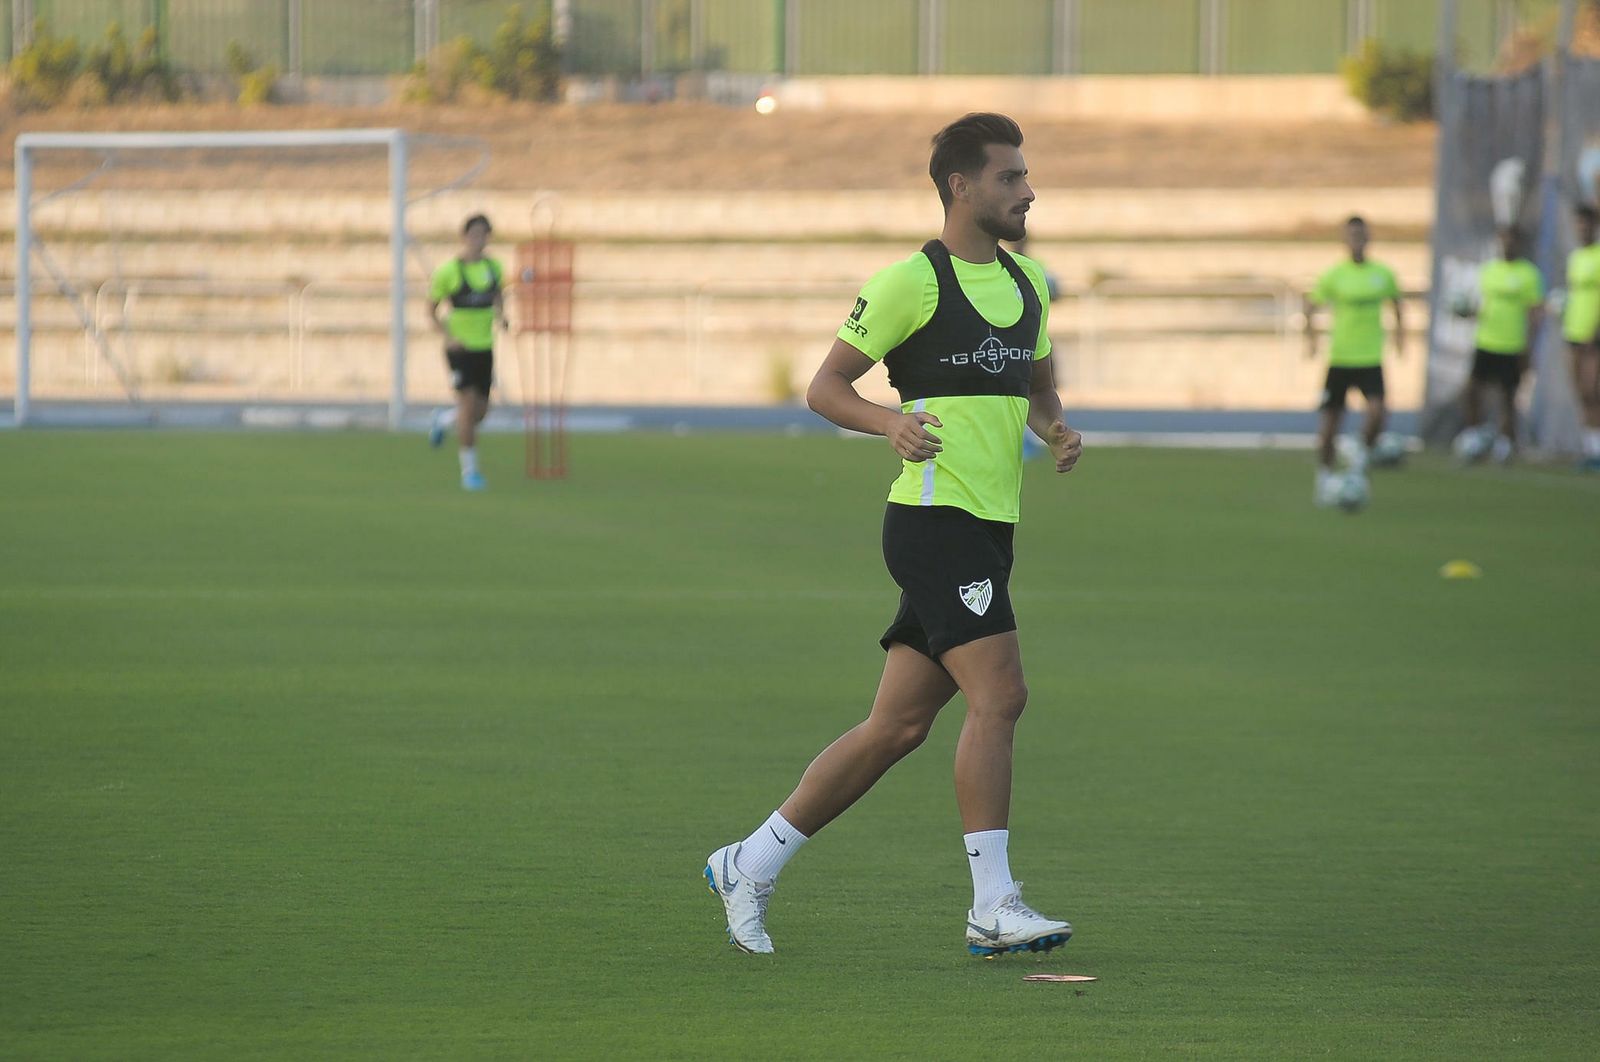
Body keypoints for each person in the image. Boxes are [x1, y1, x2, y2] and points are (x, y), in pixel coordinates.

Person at [703, 113, 1083, 958]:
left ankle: (747, 863)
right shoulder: (909, 283)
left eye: (1025, 176)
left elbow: (1038, 380)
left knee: (897, 729)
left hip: (989, 530)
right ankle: (993, 906)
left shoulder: (1030, 285)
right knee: (1001, 695)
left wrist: (1056, 427)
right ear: (962, 187)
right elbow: (824, 387)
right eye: (1010, 177)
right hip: (931, 523)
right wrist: (889, 425)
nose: (1028, 190)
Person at [1303, 216, 1404, 506]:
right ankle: (1324, 478)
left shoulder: (1383, 274)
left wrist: (1399, 337)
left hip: (1370, 357)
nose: (1357, 240)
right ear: (1344, 240)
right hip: (1341, 357)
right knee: (1330, 425)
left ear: (1368, 238)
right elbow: (1311, 303)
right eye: (1352, 235)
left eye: (1361, 235)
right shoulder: (1335, 275)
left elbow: (1397, 304)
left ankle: (1358, 458)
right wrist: (1311, 339)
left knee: (1378, 413)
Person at [427, 214, 507, 491]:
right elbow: (431, 309)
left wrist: (502, 316)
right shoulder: (449, 272)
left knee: (480, 412)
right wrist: (448, 337)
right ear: (464, 237)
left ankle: (443, 420)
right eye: (474, 234)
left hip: (485, 347)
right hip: (460, 349)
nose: (479, 240)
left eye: (484, 234)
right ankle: (470, 472)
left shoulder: (493, 268)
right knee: (468, 404)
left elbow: (498, 296)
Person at [1459, 228, 1544, 462]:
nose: (1506, 246)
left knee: (1508, 397)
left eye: (1511, 241)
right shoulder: (1489, 271)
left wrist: (1529, 345)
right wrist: (1467, 312)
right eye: (1503, 241)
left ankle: (1505, 445)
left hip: (1513, 344)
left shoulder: (1529, 274)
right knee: (1471, 390)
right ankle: (1474, 436)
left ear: (1518, 244)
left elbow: (1535, 314)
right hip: (1486, 341)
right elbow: (1483, 305)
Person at [1564, 204, 1600, 470]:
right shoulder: (1576, 257)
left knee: (1593, 390)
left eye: (1586, 224)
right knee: (1580, 391)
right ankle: (1590, 448)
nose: (1582, 229)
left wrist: (1595, 330)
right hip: (1573, 333)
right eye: (1578, 224)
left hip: (1594, 335)